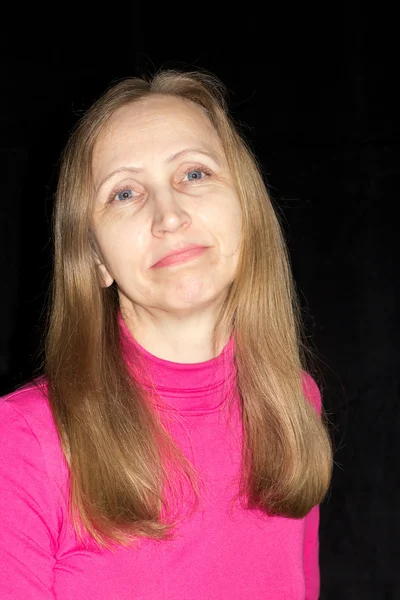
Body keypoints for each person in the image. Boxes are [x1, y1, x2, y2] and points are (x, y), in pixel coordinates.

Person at [0, 69, 333, 599]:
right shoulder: (23, 441)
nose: (169, 215)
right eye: (125, 192)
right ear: (94, 257)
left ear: (246, 209)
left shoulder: (293, 402)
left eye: (194, 174)